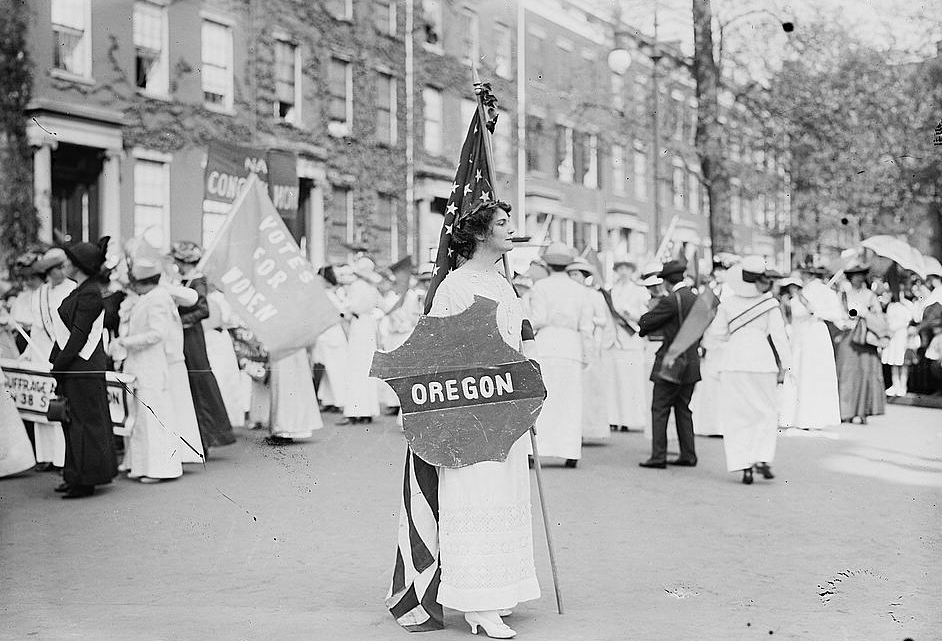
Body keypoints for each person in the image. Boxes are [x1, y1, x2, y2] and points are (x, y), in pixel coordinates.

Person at [424, 200, 539, 638]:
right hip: (473, 407)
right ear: (479, 234)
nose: (512, 230)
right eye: (503, 224)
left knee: (504, 494)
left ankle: (500, 589)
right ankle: (477, 603)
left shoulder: (502, 284)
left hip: (507, 405)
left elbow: (516, 340)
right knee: (477, 495)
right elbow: (440, 347)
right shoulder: (456, 285)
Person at [704, 256, 793, 484]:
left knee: (736, 414)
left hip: (734, 361)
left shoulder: (728, 304)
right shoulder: (769, 304)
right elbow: (779, 337)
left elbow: (714, 336)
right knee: (765, 411)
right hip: (762, 361)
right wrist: (788, 364)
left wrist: (722, 347)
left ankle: (742, 463)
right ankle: (761, 455)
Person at [49, 238, 118, 498]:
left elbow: (78, 336)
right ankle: (74, 474)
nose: (64, 264)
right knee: (74, 422)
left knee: (83, 423)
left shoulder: (89, 294)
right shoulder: (83, 289)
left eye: (69, 261)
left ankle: (85, 479)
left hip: (83, 368)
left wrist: (58, 364)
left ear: (79, 266)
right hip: (76, 367)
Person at [110, 257, 184, 483]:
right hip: (139, 362)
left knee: (153, 416)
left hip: (150, 363)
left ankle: (159, 468)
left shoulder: (158, 299)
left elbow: (157, 334)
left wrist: (126, 342)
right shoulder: (148, 297)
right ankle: (139, 464)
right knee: (140, 416)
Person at [529, 242, 594, 467]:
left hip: (547, 345)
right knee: (570, 401)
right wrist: (588, 353)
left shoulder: (541, 287)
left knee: (545, 400)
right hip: (571, 347)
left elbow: (539, 318)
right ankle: (570, 450)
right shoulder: (580, 290)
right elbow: (587, 326)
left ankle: (538, 449)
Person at [170, 241, 236, 451]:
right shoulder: (184, 280)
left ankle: (206, 436)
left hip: (192, 338)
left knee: (198, 383)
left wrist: (179, 321)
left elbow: (203, 310)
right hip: (185, 337)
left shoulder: (197, 281)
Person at [637, 259, 700, 469]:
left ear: (665, 281)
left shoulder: (671, 300)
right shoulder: (695, 297)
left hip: (671, 362)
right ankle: (688, 454)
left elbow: (646, 322)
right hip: (691, 361)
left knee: (660, 407)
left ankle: (658, 456)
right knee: (683, 408)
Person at [25, 248, 76, 470]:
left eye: (63, 266)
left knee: (62, 406)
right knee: (42, 406)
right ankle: (45, 456)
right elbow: (36, 328)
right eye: (55, 268)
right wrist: (27, 354)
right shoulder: (39, 294)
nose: (61, 271)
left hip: (63, 355)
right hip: (40, 354)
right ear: (47, 271)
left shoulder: (73, 289)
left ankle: (62, 457)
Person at [778, 266, 842, 430]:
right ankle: (796, 416)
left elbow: (836, 314)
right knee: (799, 371)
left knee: (813, 372)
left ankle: (812, 417)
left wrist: (818, 312)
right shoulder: (802, 292)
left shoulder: (824, 292)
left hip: (815, 332)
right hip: (800, 334)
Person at [835, 263, 887, 424]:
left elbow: (879, 317)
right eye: (855, 275)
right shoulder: (843, 295)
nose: (858, 278)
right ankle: (845, 411)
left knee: (865, 373)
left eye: (861, 274)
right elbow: (837, 313)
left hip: (864, 339)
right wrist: (843, 320)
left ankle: (863, 411)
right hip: (847, 336)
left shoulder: (870, 295)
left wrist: (865, 313)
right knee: (846, 374)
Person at [566, 258, 610, 441]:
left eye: (576, 274)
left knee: (590, 390)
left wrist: (588, 321)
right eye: (571, 274)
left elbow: (603, 319)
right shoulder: (569, 295)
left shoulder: (593, 295)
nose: (573, 277)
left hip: (589, 342)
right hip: (573, 343)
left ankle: (590, 429)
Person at [338, 257, 382, 424]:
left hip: (358, 324)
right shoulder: (372, 288)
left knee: (355, 367)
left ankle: (355, 410)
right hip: (369, 324)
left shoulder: (356, 286)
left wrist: (344, 312)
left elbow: (350, 307)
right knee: (367, 367)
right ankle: (367, 410)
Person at [607, 261, 648, 432]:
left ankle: (631, 419)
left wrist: (630, 313)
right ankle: (615, 418)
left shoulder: (640, 291)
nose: (623, 272)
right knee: (615, 381)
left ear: (632, 271)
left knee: (632, 381)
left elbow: (646, 316)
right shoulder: (612, 290)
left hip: (632, 340)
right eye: (620, 269)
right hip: (615, 341)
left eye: (626, 269)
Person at [882, 289, 916, 397]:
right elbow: (888, 320)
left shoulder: (907, 305)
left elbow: (912, 317)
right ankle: (895, 385)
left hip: (903, 336)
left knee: (903, 361)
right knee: (893, 361)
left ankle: (903, 385)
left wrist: (904, 302)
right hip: (893, 336)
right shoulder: (891, 305)